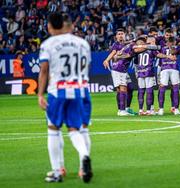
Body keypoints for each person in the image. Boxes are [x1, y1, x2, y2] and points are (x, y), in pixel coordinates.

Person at [38, 12, 92, 183]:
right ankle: (84, 161)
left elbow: (44, 70)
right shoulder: (83, 43)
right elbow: (87, 67)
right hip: (81, 89)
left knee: (53, 129)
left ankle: (57, 171)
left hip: (58, 91)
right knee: (78, 128)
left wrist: (40, 93)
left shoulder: (48, 44)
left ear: (50, 26)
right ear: (70, 26)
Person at [103, 29, 135, 116]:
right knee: (122, 89)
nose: (121, 35)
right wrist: (106, 60)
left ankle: (126, 108)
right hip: (118, 69)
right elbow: (113, 53)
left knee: (130, 88)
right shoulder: (116, 45)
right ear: (116, 36)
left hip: (124, 70)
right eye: (119, 34)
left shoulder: (127, 44)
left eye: (122, 34)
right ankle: (121, 110)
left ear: (125, 35)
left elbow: (130, 44)